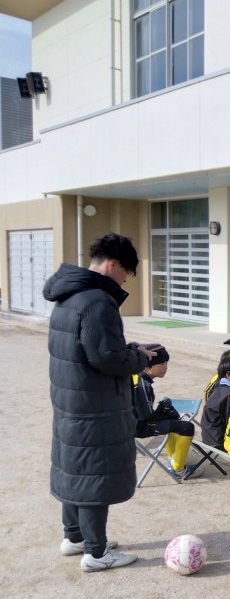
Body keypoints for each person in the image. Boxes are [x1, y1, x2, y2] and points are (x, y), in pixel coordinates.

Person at [44, 232, 155, 572]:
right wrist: (141, 359)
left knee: (74, 469)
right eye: (127, 272)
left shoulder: (69, 296)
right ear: (113, 264)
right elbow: (108, 358)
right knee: (94, 474)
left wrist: (129, 349)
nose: (126, 280)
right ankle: (96, 552)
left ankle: (74, 537)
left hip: (71, 400)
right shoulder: (97, 301)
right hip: (95, 406)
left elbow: (89, 350)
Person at [133, 344, 196, 480]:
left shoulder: (139, 378)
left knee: (172, 419)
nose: (165, 367)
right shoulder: (142, 384)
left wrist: (163, 411)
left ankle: (173, 461)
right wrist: (163, 412)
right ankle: (178, 469)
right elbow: (146, 416)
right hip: (138, 428)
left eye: (166, 363)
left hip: (134, 424)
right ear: (147, 367)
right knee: (187, 427)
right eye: (162, 364)